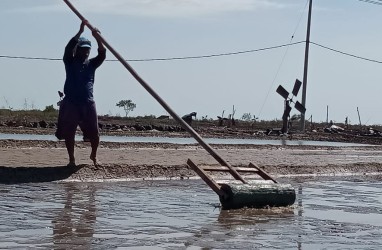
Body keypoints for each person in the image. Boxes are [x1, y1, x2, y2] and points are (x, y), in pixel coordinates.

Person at [55, 20, 106, 167]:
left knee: (95, 134)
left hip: (88, 102)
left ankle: (94, 156)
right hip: (71, 102)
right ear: (77, 49)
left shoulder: (91, 64)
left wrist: (97, 38)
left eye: (88, 50)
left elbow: (102, 54)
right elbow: (68, 48)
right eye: (83, 49)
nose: (86, 52)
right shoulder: (69, 62)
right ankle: (71, 159)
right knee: (69, 133)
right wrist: (80, 31)